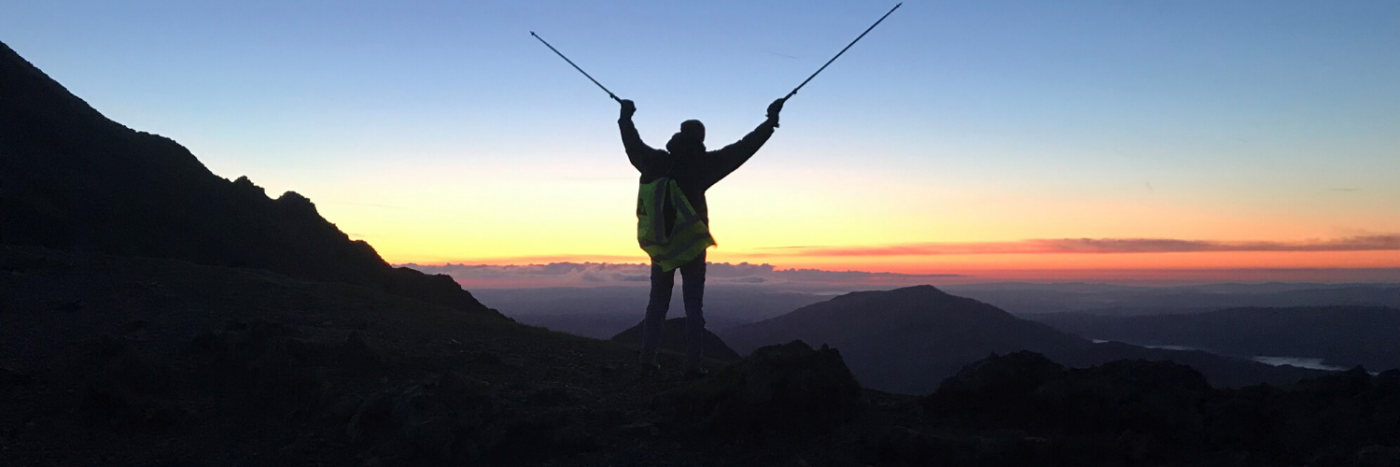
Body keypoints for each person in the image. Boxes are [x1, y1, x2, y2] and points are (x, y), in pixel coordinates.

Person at [618, 97, 785, 375]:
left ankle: (647, 358)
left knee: (657, 301)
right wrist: (769, 123)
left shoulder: (655, 162)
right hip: (693, 244)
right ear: (701, 138)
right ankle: (693, 365)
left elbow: (631, 144)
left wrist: (625, 116)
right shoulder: (705, 165)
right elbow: (743, 148)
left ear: (679, 135)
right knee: (694, 305)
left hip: (662, 245)